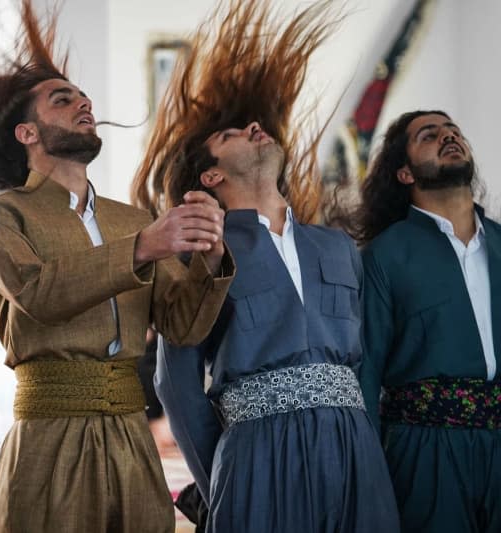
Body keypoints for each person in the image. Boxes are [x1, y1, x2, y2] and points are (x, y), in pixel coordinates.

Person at [0, 2, 234, 531]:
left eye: (83, 96)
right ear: (27, 134)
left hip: (131, 434)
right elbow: (38, 292)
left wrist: (211, 259)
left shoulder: (132, 219)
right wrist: (144, 248)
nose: (84, 103)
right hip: (47, 434)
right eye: (63, 99)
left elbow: (182, 324)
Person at [132, 1, 400, 531]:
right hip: (255, 453)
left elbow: (367, 364)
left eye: (252, 126)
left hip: (356, 454)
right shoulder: (195, 253)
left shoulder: (338, 247)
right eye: (229, 135)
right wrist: (225, 478)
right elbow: (175, 385)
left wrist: (366, 450)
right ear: (210, 177)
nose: (254, 128)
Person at [356, 110, 501, 533]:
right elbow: (367, 373)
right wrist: (368, 471)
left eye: (453, 131)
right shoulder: (383, 256)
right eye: (430, 135)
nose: (449, 136)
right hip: (423, 448)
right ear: (404, 173)